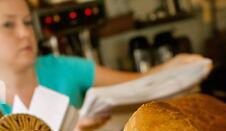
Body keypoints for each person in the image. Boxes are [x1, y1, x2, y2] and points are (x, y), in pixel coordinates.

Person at [0, 0, 204, 122]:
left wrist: (174, 67)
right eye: (8, 24)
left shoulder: (63, 67)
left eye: (27, 22)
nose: (25, 33)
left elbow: (136, 82)